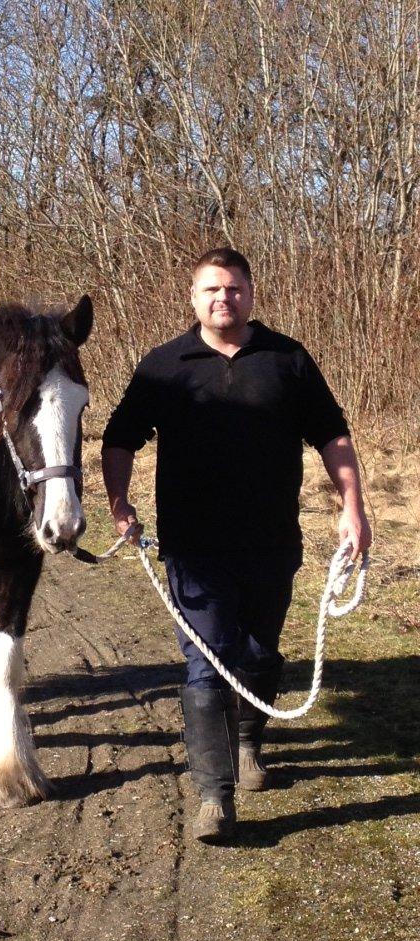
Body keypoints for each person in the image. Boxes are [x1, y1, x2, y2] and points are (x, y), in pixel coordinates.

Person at [101, 248, 371, 842]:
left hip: (272, 541)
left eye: (234, 289)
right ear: (194, 297)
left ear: (251, 292)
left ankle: (249, 744)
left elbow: (333, 435)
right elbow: (120, 437)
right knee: (208, 660)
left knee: (259, 653)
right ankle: (213, 798)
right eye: (211, 290)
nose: (223, 299)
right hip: (193, 547)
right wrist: (120, 502)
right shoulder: (164, 365)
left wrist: (353, 508)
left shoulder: (288, 359)